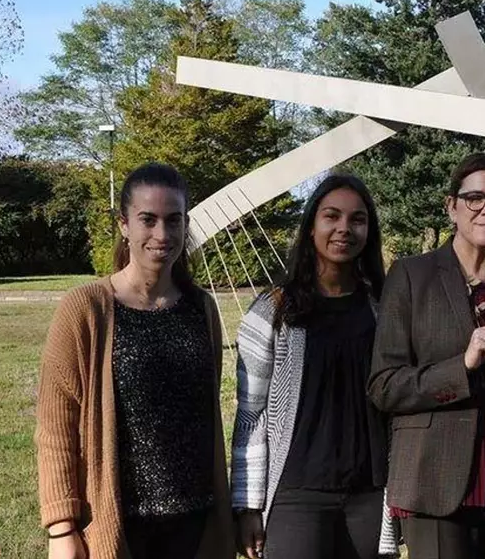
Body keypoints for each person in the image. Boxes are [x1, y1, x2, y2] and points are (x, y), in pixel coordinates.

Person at [35, 163, 234, 559]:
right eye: (148, 220)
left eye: (174, 220)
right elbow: (56, 427)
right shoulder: (85, 309)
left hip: (195, 522)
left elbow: (207, 411)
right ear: (124, 225)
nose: (162, 234)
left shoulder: (201, 309)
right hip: (120, 524)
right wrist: (62, 527)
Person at [369, 152, 485, 559]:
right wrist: (462, 366)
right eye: (475, 198)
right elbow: (384, 386)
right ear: (452, 206)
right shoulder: (411, 275)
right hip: (434, 477)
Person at [231, 174, 396, 559]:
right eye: (331, 216)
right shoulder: (274, 310)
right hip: (296, 495)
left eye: (357, 220)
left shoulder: (384, 308)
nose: (344, 228)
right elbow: (251, 413)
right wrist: (248, 505)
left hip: (369, 494)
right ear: (310, 227)